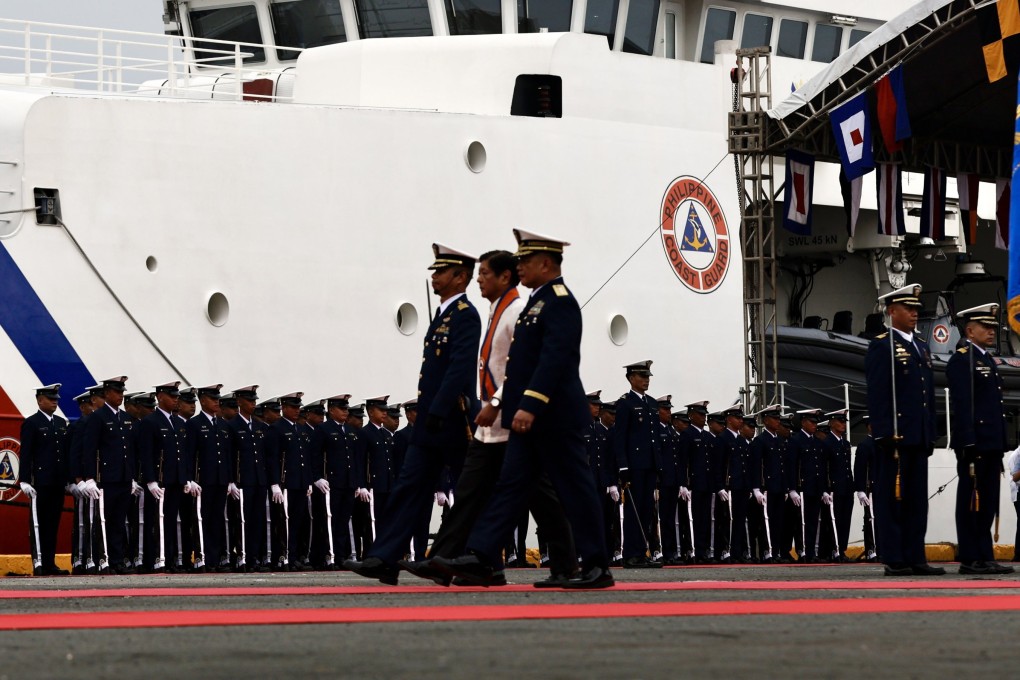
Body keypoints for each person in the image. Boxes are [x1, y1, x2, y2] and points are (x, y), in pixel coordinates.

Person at [429, 229, 613, 589]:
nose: (520, 267)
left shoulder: (559, 301)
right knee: (510, 487)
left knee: (575, 490)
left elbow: (555, 360)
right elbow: (521, 365)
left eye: (526, 261)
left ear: (546, 263)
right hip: (526, 420)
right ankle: (482, 557)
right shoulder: (536, 302)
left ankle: (596, 565)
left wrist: (529, 405)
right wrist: (509, 405)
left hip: (554, 416)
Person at [345, 243, 481, 584]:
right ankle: (384, 558)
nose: (434, 277)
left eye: (441, 271)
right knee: (409, 487)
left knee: (469, 492)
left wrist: (436, 410)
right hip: (431, 424)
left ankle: (469, 561)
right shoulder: (444, 315)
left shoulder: (466, 314)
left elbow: (459, 369)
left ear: (460, 276)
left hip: (453, 421)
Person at [865, 284, 943, 576]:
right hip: (895, 435)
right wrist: (884, 432)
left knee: (916, 501)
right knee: (892, 498)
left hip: (917, 434)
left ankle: (915, 556)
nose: (914, 313)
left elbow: (928, 395)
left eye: (916, 310)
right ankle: (895, 558)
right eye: (908, 309)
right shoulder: (882, 345)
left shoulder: (921, 346)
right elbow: (877, 391)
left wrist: (930, 431)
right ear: (891, 311)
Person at [946, 303, 1014, 575]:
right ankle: (971, 557)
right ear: (969, 330)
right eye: (985, 327)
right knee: (971, 501)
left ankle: (985, 555)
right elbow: (963, 405)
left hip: (990, 444)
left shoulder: (986, 359)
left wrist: (1000, 441)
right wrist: (967, 440)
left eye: (993, 328)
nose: (991, 332)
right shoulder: (963, 360)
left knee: (987, 503)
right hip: (975, 444)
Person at [82, 376, 136, 574]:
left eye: (122, 392)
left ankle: (116, 560)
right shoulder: (98, 417)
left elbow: (129, 450)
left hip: (123, 478)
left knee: (119, 522)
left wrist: (132, 477)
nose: (120, 396)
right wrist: (89, 478)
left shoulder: (125, 418)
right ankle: (100, 560)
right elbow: (89, 449)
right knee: (103, 521)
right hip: (106, 479)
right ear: (106, 394)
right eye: (116, 392)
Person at [135, 381, 191, 573]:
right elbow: (147, 454)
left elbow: (182, 453)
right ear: (160, 397)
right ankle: (157, 559)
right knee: (156, 522)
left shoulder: (177, 422)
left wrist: (186, 478)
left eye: (177, 397)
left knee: (171, 521)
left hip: (176, 480)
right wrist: (150, 481)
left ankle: (169, 558)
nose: (176, 400)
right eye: (172, 396)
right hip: (160, 482)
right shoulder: (151, 422)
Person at [613, 360, 663, 568]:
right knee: (633, 510)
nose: (646, 380)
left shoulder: (652, 403)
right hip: (634, 465)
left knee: (647, 509)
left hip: (650, 464)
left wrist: (658, 463)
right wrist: (623, 466)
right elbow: (620, 437)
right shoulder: (624, 403)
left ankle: (642, 552)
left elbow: (655, 437)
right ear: (631, 378)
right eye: (642, 377)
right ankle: (631, 554)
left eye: (647, 377)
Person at [19, 384, 70, 576]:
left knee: (52, 524)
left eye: (56, 398)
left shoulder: (60, 422)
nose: (55, 401)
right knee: (39, 524)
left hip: (57, 483)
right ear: (40, 400)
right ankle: (39, 562)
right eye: (50, 398)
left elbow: (64, 454)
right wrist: (24, 480)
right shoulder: (31, 423)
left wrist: (68, 479)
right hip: (40, 483)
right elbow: (26, 454)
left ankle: (50, 563)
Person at [310, 394, 358, 570]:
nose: (345, 412)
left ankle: (341, 556)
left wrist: (357, 482)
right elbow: (314, 455)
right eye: (342, 408)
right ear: (332, 410)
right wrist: (317, 477)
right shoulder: (323, 429)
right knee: (330, 521)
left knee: (343, 522)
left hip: (348, 483)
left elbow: (355, 459)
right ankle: (329, 556)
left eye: (346, 409)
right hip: (331, 483)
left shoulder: (350, 431)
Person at [266, 392, 314, 570]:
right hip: (285, 484)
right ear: (283, 408)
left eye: (298, 407)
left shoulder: (300, 429)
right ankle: (282, 557)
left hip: (300, 482)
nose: (296, 411)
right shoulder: (276, 428)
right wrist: (275, 483)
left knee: (297, 522)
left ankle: (292, 557)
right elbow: (272, 458)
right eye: (293, 407)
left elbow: (305, 458)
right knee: (283, 522)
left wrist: (308, 481)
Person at [226, 385, 271, 572]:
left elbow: (265, 456)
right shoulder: (231, 425)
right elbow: (229, 456)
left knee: (257, 521)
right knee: (241, 521)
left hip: (259, 481)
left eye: (254, 400)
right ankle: (241, 558)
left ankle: (253, 558)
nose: (253, 404)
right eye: (249, 400)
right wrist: (231, 480)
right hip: (242, 481)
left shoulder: (260, 426)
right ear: (239, 402)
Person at [184, 384, 228, 573]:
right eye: (212, 398)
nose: (217, 401)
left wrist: (230, 480)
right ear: (203, 401)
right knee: (202, 520)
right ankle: (201, 558)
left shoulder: (223, 424)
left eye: (218, 398)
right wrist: (190, 478)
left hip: (220, 480)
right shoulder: (194, 424)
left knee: (217, 520)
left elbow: (227, 456)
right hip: (203, 481)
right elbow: (188, 454)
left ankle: (215, 558)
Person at [749, 404, 786, 563]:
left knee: (778, 521)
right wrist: (756, 488)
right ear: (766, 420)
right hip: (766, 488)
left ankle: (776, 551)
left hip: (779, 487)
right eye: (774, 418)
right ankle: (767, 551)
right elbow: (756, 466)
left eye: (779, 418)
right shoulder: (760, 441)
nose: (778, 421)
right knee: (766, 521)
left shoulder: (780, 441)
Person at [825, 409, 854, 562]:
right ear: (831, 423)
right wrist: (827, 488)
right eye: (840, 421)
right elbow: (826, 468)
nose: (843, 424)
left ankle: (841, 549)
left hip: (847, 488)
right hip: (834, 489)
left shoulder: (846, 444)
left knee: (845, 520)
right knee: (834, 520)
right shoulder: (827, 443)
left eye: (844, 422)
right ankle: (834, 550)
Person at [854, 415, 878, 562]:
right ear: (869, 426)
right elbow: (860, 469)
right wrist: (860, 490)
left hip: (881, 488)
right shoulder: (865, 445)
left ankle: (881, 547)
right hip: (871, 488)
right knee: (871, 519)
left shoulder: (881, 444)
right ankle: (872, 549)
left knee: (881, 520)